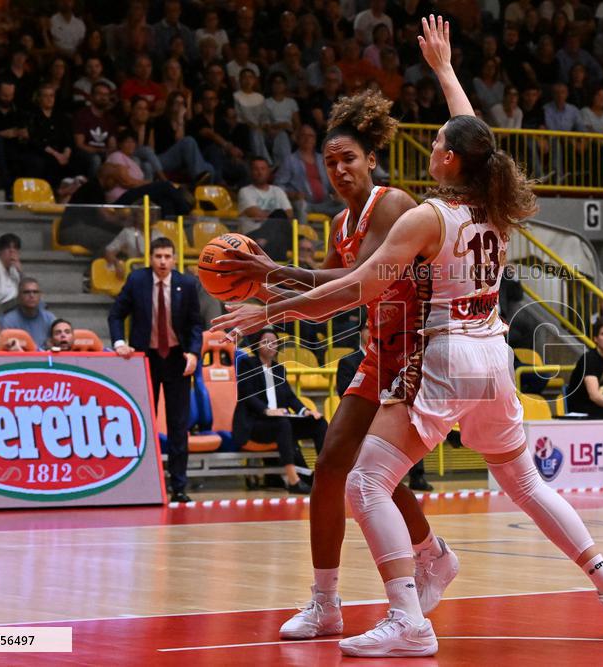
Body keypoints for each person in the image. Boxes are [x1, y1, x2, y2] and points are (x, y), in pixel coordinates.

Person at [212, 17, 603, 656]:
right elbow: (479, 140)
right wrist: (445, 74)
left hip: (441, 354)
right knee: (525, 485)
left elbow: (358, 288)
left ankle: (409, 617)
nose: (433, 143)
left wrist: (271, 312)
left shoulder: (423, 216)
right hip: (494, 354)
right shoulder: (493, 203)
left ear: (447, 159)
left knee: (364, 483)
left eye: (438, 140)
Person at [214, 86, 453, 643]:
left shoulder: (393, 204)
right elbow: (327, 303)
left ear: (371, 159)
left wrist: (272, 272)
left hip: (418, 355)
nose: (339, 169)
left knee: (368, 472)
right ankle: (328, 602)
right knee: (331, 470)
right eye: (330, 162)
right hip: (378, 355)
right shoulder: (340, 227)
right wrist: (266, 303)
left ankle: (429, 560)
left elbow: (355, 283)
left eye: (348, 158)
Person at [108, 237, 202, 503]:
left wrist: (194, 353)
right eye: (158, 256)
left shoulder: (186, 283)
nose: (162, 261)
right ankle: (141, 483)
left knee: (178, 425)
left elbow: (196, 324)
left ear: (174, 259)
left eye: (167, 256)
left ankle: (179, 487)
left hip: (176, 358)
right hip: (145, 359)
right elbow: (116, 314)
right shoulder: (137, 281)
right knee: (143, 422)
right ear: (150, 258)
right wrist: (118, 343)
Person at [337, 319, 432, 492]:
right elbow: (343, 391)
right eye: (366, 328)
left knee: (411, 422)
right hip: (364, 409)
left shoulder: (394, 357)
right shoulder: (348, 361)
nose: (370, 331)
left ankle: (417, 476)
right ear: (360, 333)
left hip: (389, 405)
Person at [232, 329, 327, 493]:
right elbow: (246, 395)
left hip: (280, 422)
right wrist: (267, 411)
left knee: (318, 423)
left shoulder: (279, 369)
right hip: (256, 424)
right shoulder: (247, 364)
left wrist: (305, 411)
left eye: (274, 342)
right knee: (282, 424)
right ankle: (293, 480)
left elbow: (290, 397)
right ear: (256, 345)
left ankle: (324, 475)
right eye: (265, 341)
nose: (270, 345)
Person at [565, 318, 603, 419]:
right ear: (595, 338)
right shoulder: (589, 359)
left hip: (602, 407)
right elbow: (594, 395)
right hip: (583, 407)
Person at [0, 277, 55, 346]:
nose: (31, 295)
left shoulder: (50, 318)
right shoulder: (8, 321)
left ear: (40, 296)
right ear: (19, 296)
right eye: (26, 292)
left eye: (35, 292)